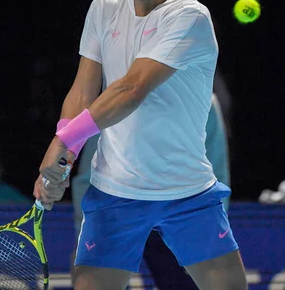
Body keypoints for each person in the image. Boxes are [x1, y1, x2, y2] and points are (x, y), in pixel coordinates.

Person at [32, 0, 247, 290]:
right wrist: (66, 158)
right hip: (115, 192)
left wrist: (62, 141)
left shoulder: (190, 17)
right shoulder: (103, 8)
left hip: (187, 192)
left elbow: (131, 89)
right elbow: (84, 89)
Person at [71, 92, 230, 289]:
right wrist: (85, 239)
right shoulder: (113, 101)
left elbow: (216, 175)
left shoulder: (205, 101)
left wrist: (207, 241)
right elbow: (88, 179)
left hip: (179, 218)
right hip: (118, 217)